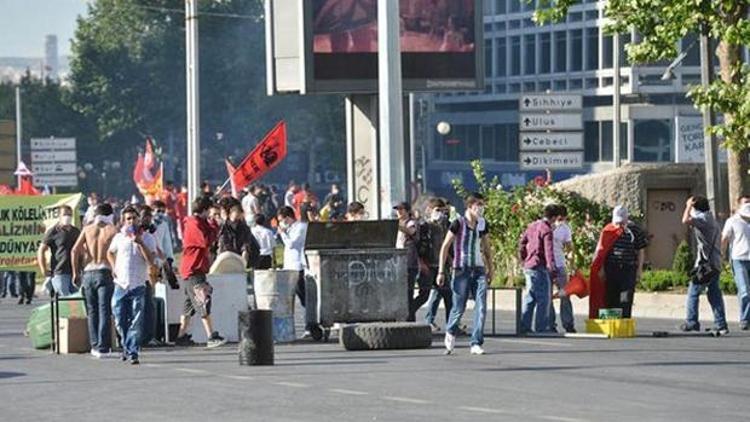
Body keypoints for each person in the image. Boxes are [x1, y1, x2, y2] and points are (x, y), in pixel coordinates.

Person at [437, 192, 493, 355]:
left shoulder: (482, 224)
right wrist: (441, 271)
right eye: (478, 205)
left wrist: (491, 268)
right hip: (461, 269)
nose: (481, 209)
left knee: (481, 306)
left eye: (483, 205)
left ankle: (476, 342)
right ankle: (451, 331)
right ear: (470, 206)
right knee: (458, 307)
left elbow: (487, 248)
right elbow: (445, 247)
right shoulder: (458, 223)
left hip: (479, 269)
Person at [107, 206, 157, 364]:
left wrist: (140, 242)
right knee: (119, 319)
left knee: (136, 320)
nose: (131, 221)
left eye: (134, 218)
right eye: (128, 219)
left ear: (139, 220)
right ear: (123, 221)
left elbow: (151, 261)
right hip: (121, 283)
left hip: (138, 284)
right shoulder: (119, 237)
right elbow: (110, 252)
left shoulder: (147, 238)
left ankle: (133, 351)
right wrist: (113, 266)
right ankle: (125, 345)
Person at [176, 197, 227, 348]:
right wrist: (214, 225)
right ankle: (211, 335)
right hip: (193, 269)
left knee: (189, 306)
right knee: (203, 301)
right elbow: (206, 241)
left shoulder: (199, 222)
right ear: (204, 210)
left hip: (194, 269)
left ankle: (181, 335)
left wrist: (214, 224)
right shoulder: (194, 223)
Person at [71, 203, 118, 358]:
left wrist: (75, 272)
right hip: (104, 271)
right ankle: (103, 348)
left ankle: (95, 346)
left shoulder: (87, 229)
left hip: (88, 272)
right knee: (104, 310)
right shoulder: (112, 230)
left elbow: (74, 250)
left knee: (92, 311)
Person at [681, 196, 728, 334]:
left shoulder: (703, 219)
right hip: (715, 263)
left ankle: (692, 321)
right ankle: (721, 324)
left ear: (696, 207)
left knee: (693, 292)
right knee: (714, 294)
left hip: (706, 264)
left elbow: (684, 220)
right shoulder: (710, 218)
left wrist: (688, 205)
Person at [593, 206, 648, 319]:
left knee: (625, 296)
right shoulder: (608, 230)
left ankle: (624, 320)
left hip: (628, 269)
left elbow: (641, 251)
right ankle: (611, 321)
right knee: (610, 295)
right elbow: (602, 251)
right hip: (612, 268)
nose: (619, 225)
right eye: (617, 222)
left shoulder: (635, 231)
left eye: (621, 222)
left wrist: (639, 270)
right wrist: (602, 269)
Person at [518, 204, 559, 334]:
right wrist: (553, 270)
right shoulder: (547, 230)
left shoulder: (532, 226)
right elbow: (549, 252)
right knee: (544, 299)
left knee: (530, 297)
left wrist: (524, 257)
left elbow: (522, 243)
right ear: (553, 217)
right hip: (539, 266)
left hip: (529, 266)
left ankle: (524, 326)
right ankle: (541, 327)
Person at [277, 206, 312, 337]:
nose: (281, 223)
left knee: (304, 299)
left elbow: (292, 244)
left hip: (299, 267)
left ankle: (309, 325)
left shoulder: (301, 227)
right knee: (290, 299)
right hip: (289, 267)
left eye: (282, 220)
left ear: (288, 218)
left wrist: (282, 233)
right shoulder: (290, 229)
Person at [421, 197, 453, 331]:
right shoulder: (426, 226)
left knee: (447, 295)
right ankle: (426, 320)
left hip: (442, 265)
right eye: (437, 210)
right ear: (430, 210)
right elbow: (421, 247)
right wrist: (422, 263)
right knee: (426, 295)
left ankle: (451, 324)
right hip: (429, 265)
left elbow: (448, 245)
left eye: (443, 210)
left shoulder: (446, 225)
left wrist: (451, 260)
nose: (441, 213)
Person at [37, 205, 81, 297]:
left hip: (75, 271)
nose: (67, 217)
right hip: (59, 271)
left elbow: (82, 250)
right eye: (65, 214)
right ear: (59, 216)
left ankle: (74, 312)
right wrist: (43, 269)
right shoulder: (53, 231)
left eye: (69, 214)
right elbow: (41, 250)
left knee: (77, 298)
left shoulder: (76, 231)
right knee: (65, 297)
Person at [721, 200, 750, 331]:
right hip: (739, 259)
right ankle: (745, 319)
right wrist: (720, 256)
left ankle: (745, 318)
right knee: (744, 291)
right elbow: (724, 239)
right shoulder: (732, 221)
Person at [549, 205, 576, 333]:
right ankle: (550, 324)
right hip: (547, 265)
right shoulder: (546, 226)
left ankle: (568, 324)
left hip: (560, 265)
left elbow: (570, 248)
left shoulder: (565, 229)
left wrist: (571, 266)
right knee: (547, 296)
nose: (560, 220)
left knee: (565, 294)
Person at [395, 202, 422, 322]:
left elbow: (411, 232)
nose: (399, 212)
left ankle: (410, 318)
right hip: (397, 261)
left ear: (407, 211)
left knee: (408, 291)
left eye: (401, 210)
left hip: (409, 262)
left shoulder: (411, 222)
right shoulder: (398, 223)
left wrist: (397, 226)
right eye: (397, 210)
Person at [218, 202, 261, 268]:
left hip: (239, 256)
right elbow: (222, 244)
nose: (238, 215)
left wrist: (243, 265)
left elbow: (245, 247)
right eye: (236, 212)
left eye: (240, 213)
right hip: (225, 256)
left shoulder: (244, 228)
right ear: (230, 214)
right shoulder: (223, 226)